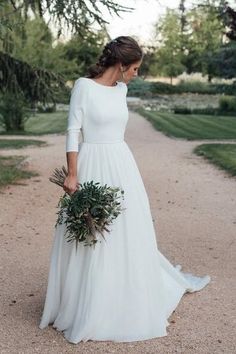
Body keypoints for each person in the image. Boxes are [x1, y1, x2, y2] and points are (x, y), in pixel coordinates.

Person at [39, 36, 211, 343]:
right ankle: (88, 302)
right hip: (92, 161)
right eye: (134, 69)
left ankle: (123, 296)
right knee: (90, 234)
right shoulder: (83, 86)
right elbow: (73, 130)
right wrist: (73, 173)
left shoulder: (122, 89)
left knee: (127, 230)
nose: (136, 75)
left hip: (121, 165)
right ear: (120, 65)